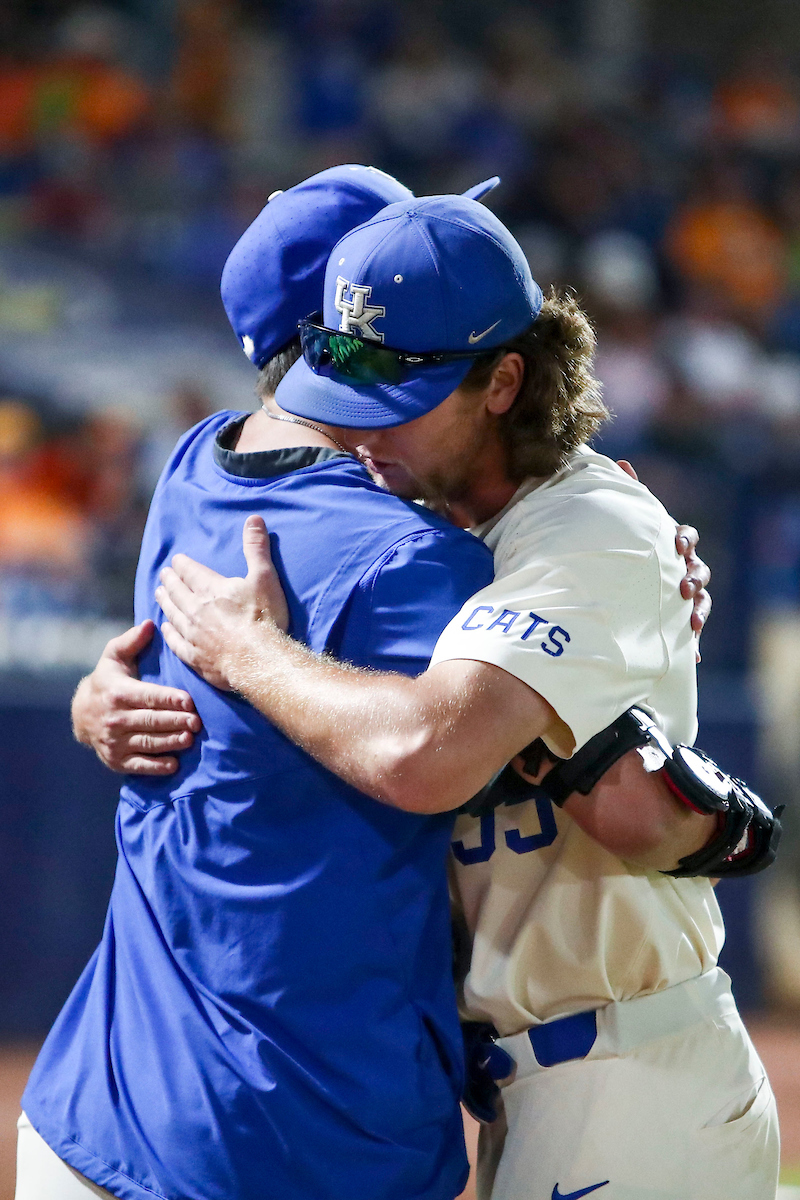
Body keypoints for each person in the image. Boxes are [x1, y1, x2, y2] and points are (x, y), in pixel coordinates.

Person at [154, 193, 781, 1200]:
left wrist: (245, 655)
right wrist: (106, 692)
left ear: (501, 381)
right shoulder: (427, 521)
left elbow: (419, 757)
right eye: (350, 380)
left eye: (402, 392)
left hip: (624, 1078)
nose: (362, 429)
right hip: (521, 1086)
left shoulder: (590, 529)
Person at [18, 166, 509, 1200]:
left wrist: (90, 700)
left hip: (93, 1106)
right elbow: (433, 750)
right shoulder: (413, 556)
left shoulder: (192, 464)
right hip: (291, 1140)